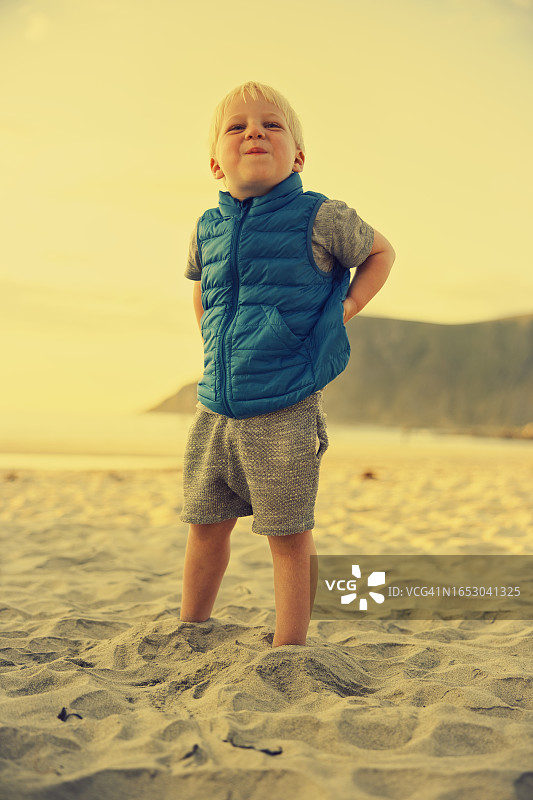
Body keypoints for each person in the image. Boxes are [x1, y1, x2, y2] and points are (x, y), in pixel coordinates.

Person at [179, 81, 395, 647]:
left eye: (272, 124)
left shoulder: (319, 216)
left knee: (288, 532)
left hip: (284, 403)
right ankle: (190, 626)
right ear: (214, 163)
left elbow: (380, 252)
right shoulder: (209, 227)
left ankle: (289, 647)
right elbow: (202, 288)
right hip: (216, 406)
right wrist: (209, 334)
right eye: (238, 126)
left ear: (297, 155)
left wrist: (347, 306)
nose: (255, 131)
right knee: (204, 524)